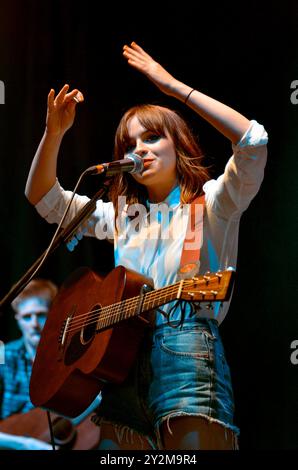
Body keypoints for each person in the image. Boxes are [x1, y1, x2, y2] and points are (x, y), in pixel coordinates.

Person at [24, 42, 268, 450]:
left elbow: (253, 141)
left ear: (179, 144)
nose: (139, 149)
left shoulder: (212, 203)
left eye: (153, 137)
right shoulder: (119, 215)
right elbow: (42, 195)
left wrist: (173, 87)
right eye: (130, 144)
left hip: (185, 354)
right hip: (120, 362)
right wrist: (54, 134)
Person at [0, 278, 58, 449]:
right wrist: (26, 445)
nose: (34, 324)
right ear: (17, 319)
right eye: (26, 317)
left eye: (40, 315)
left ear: (53, 314)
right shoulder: (4, 355)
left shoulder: (69, 355)